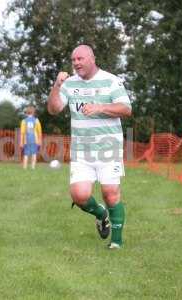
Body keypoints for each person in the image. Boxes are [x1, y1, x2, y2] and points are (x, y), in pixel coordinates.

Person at [47, 44, 132, 249]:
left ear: (92, 59)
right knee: (79, 195)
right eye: (73, 60)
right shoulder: (69, 84)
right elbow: (54, 109)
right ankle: (101, 214)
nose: (76, 63)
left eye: (80, 59)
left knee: (110, 192)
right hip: (81, 151)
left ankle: (116, 243)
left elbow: (126, 109)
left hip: (108, 148)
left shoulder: (111, 81)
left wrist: (100, 107)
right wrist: (57, 86)